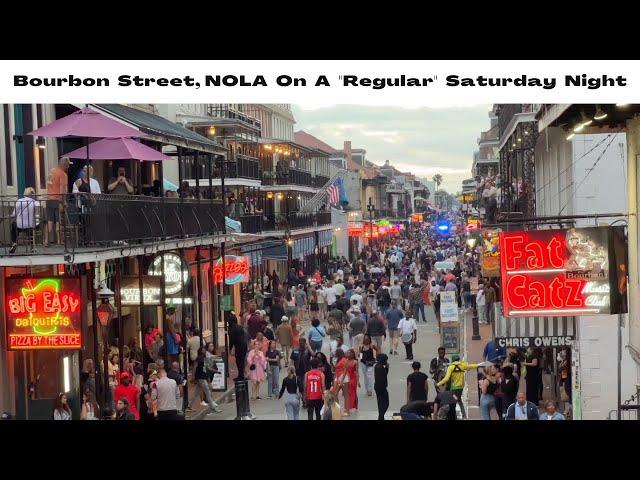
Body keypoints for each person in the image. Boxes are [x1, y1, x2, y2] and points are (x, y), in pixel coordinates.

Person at [436, 354, 478, 419]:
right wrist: (478, 365)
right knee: (458, 400)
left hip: (454, 388)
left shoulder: (451, 367)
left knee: (453, 402)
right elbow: (471, 366)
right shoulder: (462, 365)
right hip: (461, 388)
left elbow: (446, 378)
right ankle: (463, 415)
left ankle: (453, 416)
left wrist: (438, 384)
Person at [187, 346, 222, 413]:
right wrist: (193, 376)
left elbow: (207, 367)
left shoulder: (204, 358)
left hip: (202, 378)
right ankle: (214, 408)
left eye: (204, 350)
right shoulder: (198, 359)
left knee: (196, 394)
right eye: (203, 350)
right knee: (208, 392)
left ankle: (189, 406)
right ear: (200, 351)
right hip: (201, 378)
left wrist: (216, 371)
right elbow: (194, 367)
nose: (205, 351)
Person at [46, 157, 70, 245]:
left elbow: (48, 184)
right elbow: (62, 189)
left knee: (50, 221)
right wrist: (63, 201)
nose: (68, 167)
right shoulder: (63, 175)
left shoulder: (51, 171)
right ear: (64, 165)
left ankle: (46, 241)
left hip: (49, 199)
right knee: (59, 221)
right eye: (67, 165)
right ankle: (60, 241)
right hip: (57, 200)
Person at [9, 187, 40, 253]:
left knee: (13, 226)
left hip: (20, 225)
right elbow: (37, 215)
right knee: (31, 230)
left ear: (25, 193)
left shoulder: (19, 201)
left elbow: (14, 214)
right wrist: (36, 224)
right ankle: (32, 247)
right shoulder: (36, 203)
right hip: (30, 225)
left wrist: (9, 216)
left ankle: (14, 243)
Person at [228, 315, 248, 380]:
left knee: (238, 361)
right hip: (244, 345)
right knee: (242, 360)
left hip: (239, 346)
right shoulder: (240, 327)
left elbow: (232, 339)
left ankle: (241, 375)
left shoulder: (232, 329)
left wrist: (230, 348)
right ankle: (241, 374)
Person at [333, 349, 350, 416]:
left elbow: (346, 370)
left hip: (343, 378)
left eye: (336, 353)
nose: (335, 354)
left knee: (346, 395)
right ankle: (338, 410)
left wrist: (342, 379)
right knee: (335, 393)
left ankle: (347, 411)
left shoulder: (344, 360)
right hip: (338, 377)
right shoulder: (339, 360)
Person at [374, 353, 389, 420]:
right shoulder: (379, 367)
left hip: (379, 387)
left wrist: (386, 368)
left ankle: (381, 416)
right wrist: (386, 368)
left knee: (381, 403)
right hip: (381, 388)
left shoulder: (378, 366)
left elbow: (384, 375)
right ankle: (381, 416)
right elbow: (383, 376)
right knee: (385, 403)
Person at [345, 349, 360, 413]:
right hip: (348, 378)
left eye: (349, 353)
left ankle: (351, 407)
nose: (348, 354)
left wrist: (358, 381)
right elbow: (345, 371)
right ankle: (352, 406)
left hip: (353, 379)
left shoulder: (355, 362)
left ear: (352, 354)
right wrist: (342, 380)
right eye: (347, 353)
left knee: (353, 393)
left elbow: (356, 372)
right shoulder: (346, 361)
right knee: (350, 393)